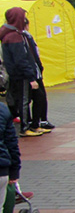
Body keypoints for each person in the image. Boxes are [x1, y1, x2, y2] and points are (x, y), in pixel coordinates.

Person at [0, 8, 43, 137]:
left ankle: (29, 124)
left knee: (25, 99)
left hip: (18, 74)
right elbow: (20, 59)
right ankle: (25, 127)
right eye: (23, 17)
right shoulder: (14, 37)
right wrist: (31, 77)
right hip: (21, 75)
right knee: (24, 100)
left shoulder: (12, 34)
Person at [21, 19, 54, 132]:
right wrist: (37, 69)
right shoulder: (23, 36)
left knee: (36, 97)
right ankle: (34, 123)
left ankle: (37, 122)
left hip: (33, 71)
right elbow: (30, 56)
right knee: (37, 97)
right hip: (31, 73)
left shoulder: (25, 36)